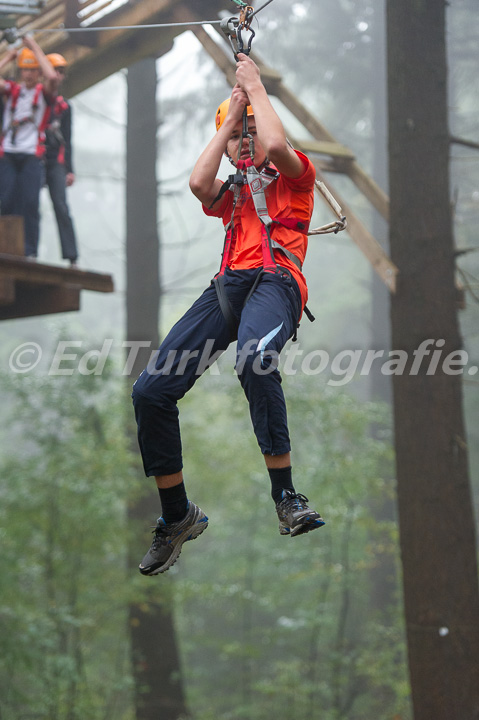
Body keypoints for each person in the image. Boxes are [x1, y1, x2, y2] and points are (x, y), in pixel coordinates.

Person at [132, 53, 325, 577]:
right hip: (229, 287)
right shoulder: (234, 191)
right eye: (237, 135)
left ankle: (286, 496)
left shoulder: (296, 176)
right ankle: (177, 516)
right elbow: (199, 183)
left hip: (278, 281)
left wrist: (256, 92)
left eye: (251, 133)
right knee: (150, 390)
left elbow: (280, 147)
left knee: (254, 361)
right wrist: (235, 111)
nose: (246, 140)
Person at [0, 36, 58, 258]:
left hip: (31, 155)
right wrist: (9, 57)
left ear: (38, 72)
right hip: (9, 154)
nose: (29, 74)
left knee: (30, 203)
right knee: (6, 201)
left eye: (33, 69)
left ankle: (29, 251)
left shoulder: (44, 93)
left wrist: (33, 45)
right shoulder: (12, 90)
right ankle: (6, 248)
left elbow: (52, 76)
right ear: (20, 71)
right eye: (25, 69)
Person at [44, 53, 78, 267]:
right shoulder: (33, 98)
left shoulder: (64, 107)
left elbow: (68, 139)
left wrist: (69, 169)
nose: (57, 75)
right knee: (25, 204)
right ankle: (24, 251)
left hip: (55, 161)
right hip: (32, 158)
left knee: (61, 206)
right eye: (53, 70)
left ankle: (72, 256)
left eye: (60, 71)